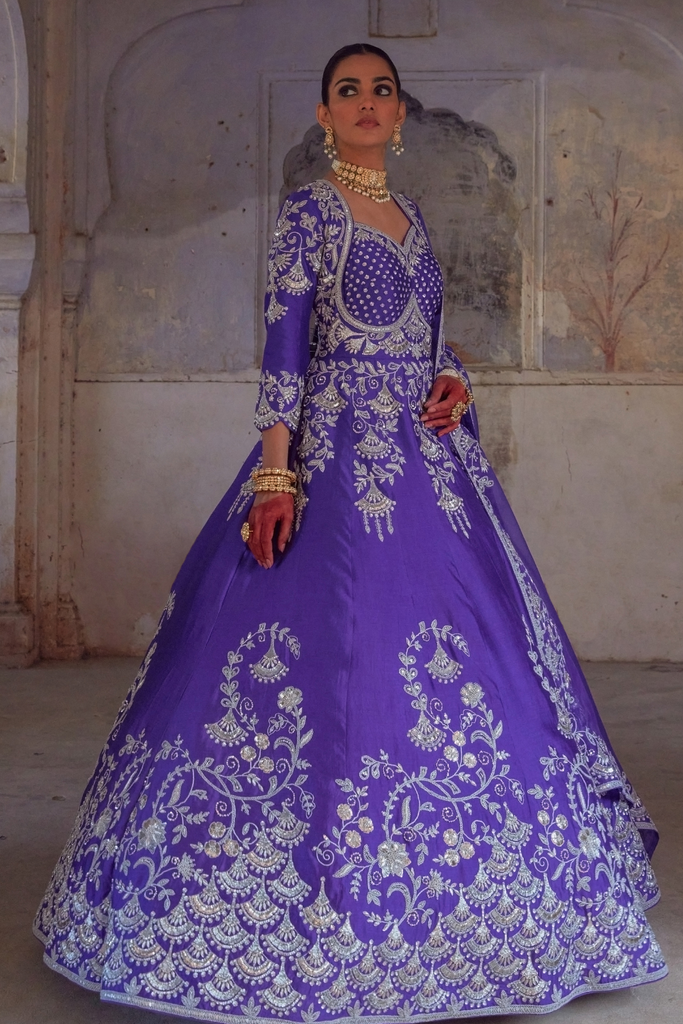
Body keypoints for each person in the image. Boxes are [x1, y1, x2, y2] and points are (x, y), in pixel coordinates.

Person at [35, 43, 666, 1023]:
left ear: (399, 114)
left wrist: (452, 376)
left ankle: (480, 892)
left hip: (425, 462)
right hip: (331, 459)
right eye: (347, 91)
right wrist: (276, 470)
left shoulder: (412, 218)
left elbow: (425, 338)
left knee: (474, 655)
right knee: (333, 649)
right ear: (325, 116)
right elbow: (286, 344)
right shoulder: (310, 213)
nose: (366, 102)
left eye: (381, 90)